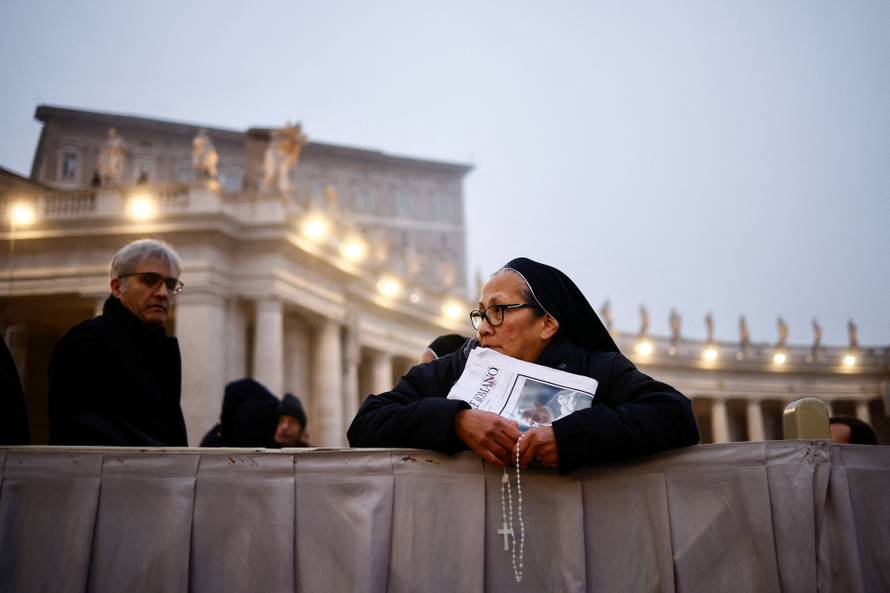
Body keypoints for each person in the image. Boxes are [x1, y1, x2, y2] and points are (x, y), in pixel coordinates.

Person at [348, 257, 700, 474]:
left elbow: (675, 414)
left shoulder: (597, 368)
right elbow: (366, 423)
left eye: (499, 311)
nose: (484, 326)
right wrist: (455, 420)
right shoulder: (458, 365)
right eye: (482, 313)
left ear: (547, 323)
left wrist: (568, 438)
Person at [48, 239, 187, 446]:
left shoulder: (163, 350)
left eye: (170, 284)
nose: (163, 293)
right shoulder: (83, 342)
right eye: (149, 280)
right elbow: (82, 425)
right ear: (116, 287)